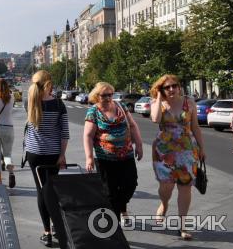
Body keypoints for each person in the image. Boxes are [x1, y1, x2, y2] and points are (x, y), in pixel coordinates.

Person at [150, 74, 205, 240]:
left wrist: (202, 148)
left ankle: (182, 226)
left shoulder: (190, 102)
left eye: (174, 85)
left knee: (185, 187)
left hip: (188, 150)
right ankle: (164, 204)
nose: (172, 89)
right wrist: (159, 97)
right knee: (166, 188)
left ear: (179, 86)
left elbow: (195, 126)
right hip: (164, 151)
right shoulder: (157, 103)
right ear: (161, 89)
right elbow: (155, 119)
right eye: (167, 87)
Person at [83, 82, 143, 224]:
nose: (109, 97)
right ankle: (114, 226)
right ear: (97, 96)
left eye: (111, 94)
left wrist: (139, 145)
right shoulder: (93, 112)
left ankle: (120, 207)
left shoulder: (120, 106)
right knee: (110, 192)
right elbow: (88, 136)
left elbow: (133, 125)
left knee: (130, 185)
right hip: (105, 159)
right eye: (105, 95)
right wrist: (89, 157)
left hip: (126, 155)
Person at [23, 70, 69, 247]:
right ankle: (57, 226)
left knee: (41, 191)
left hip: (34, 154)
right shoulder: (59, 104)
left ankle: (47, 232)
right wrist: (62, 155)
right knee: (52, 189)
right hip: (53, 154)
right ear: (49, 84)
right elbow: (64, 133)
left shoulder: (30, 101)